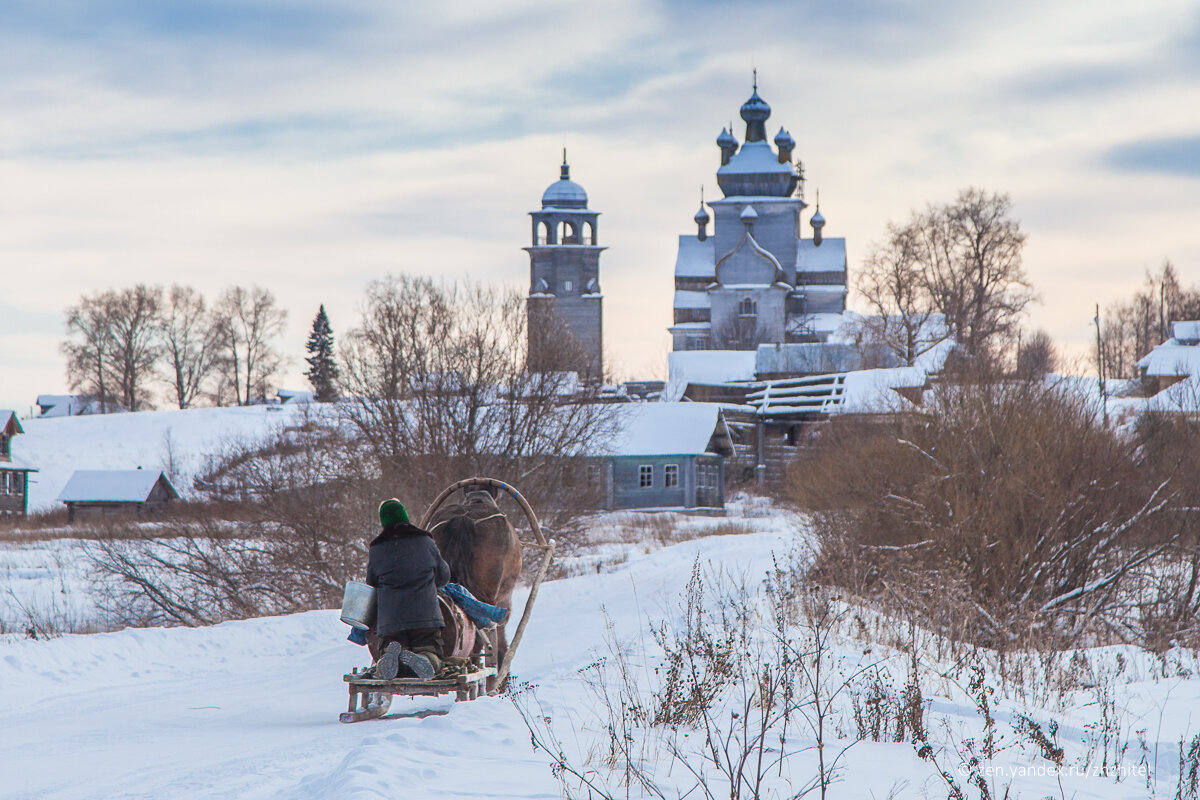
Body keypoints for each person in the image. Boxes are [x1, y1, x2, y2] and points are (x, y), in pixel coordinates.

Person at [366, 498, 451, 680]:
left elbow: (371, 581)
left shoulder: (377, 548)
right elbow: (444, 576)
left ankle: (386, 664)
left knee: (391, 652)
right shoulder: (425, 540)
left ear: (384, 521)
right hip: (425, 616)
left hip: (391, 620)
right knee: (431, 651)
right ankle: (424, 659)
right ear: (405, 516)